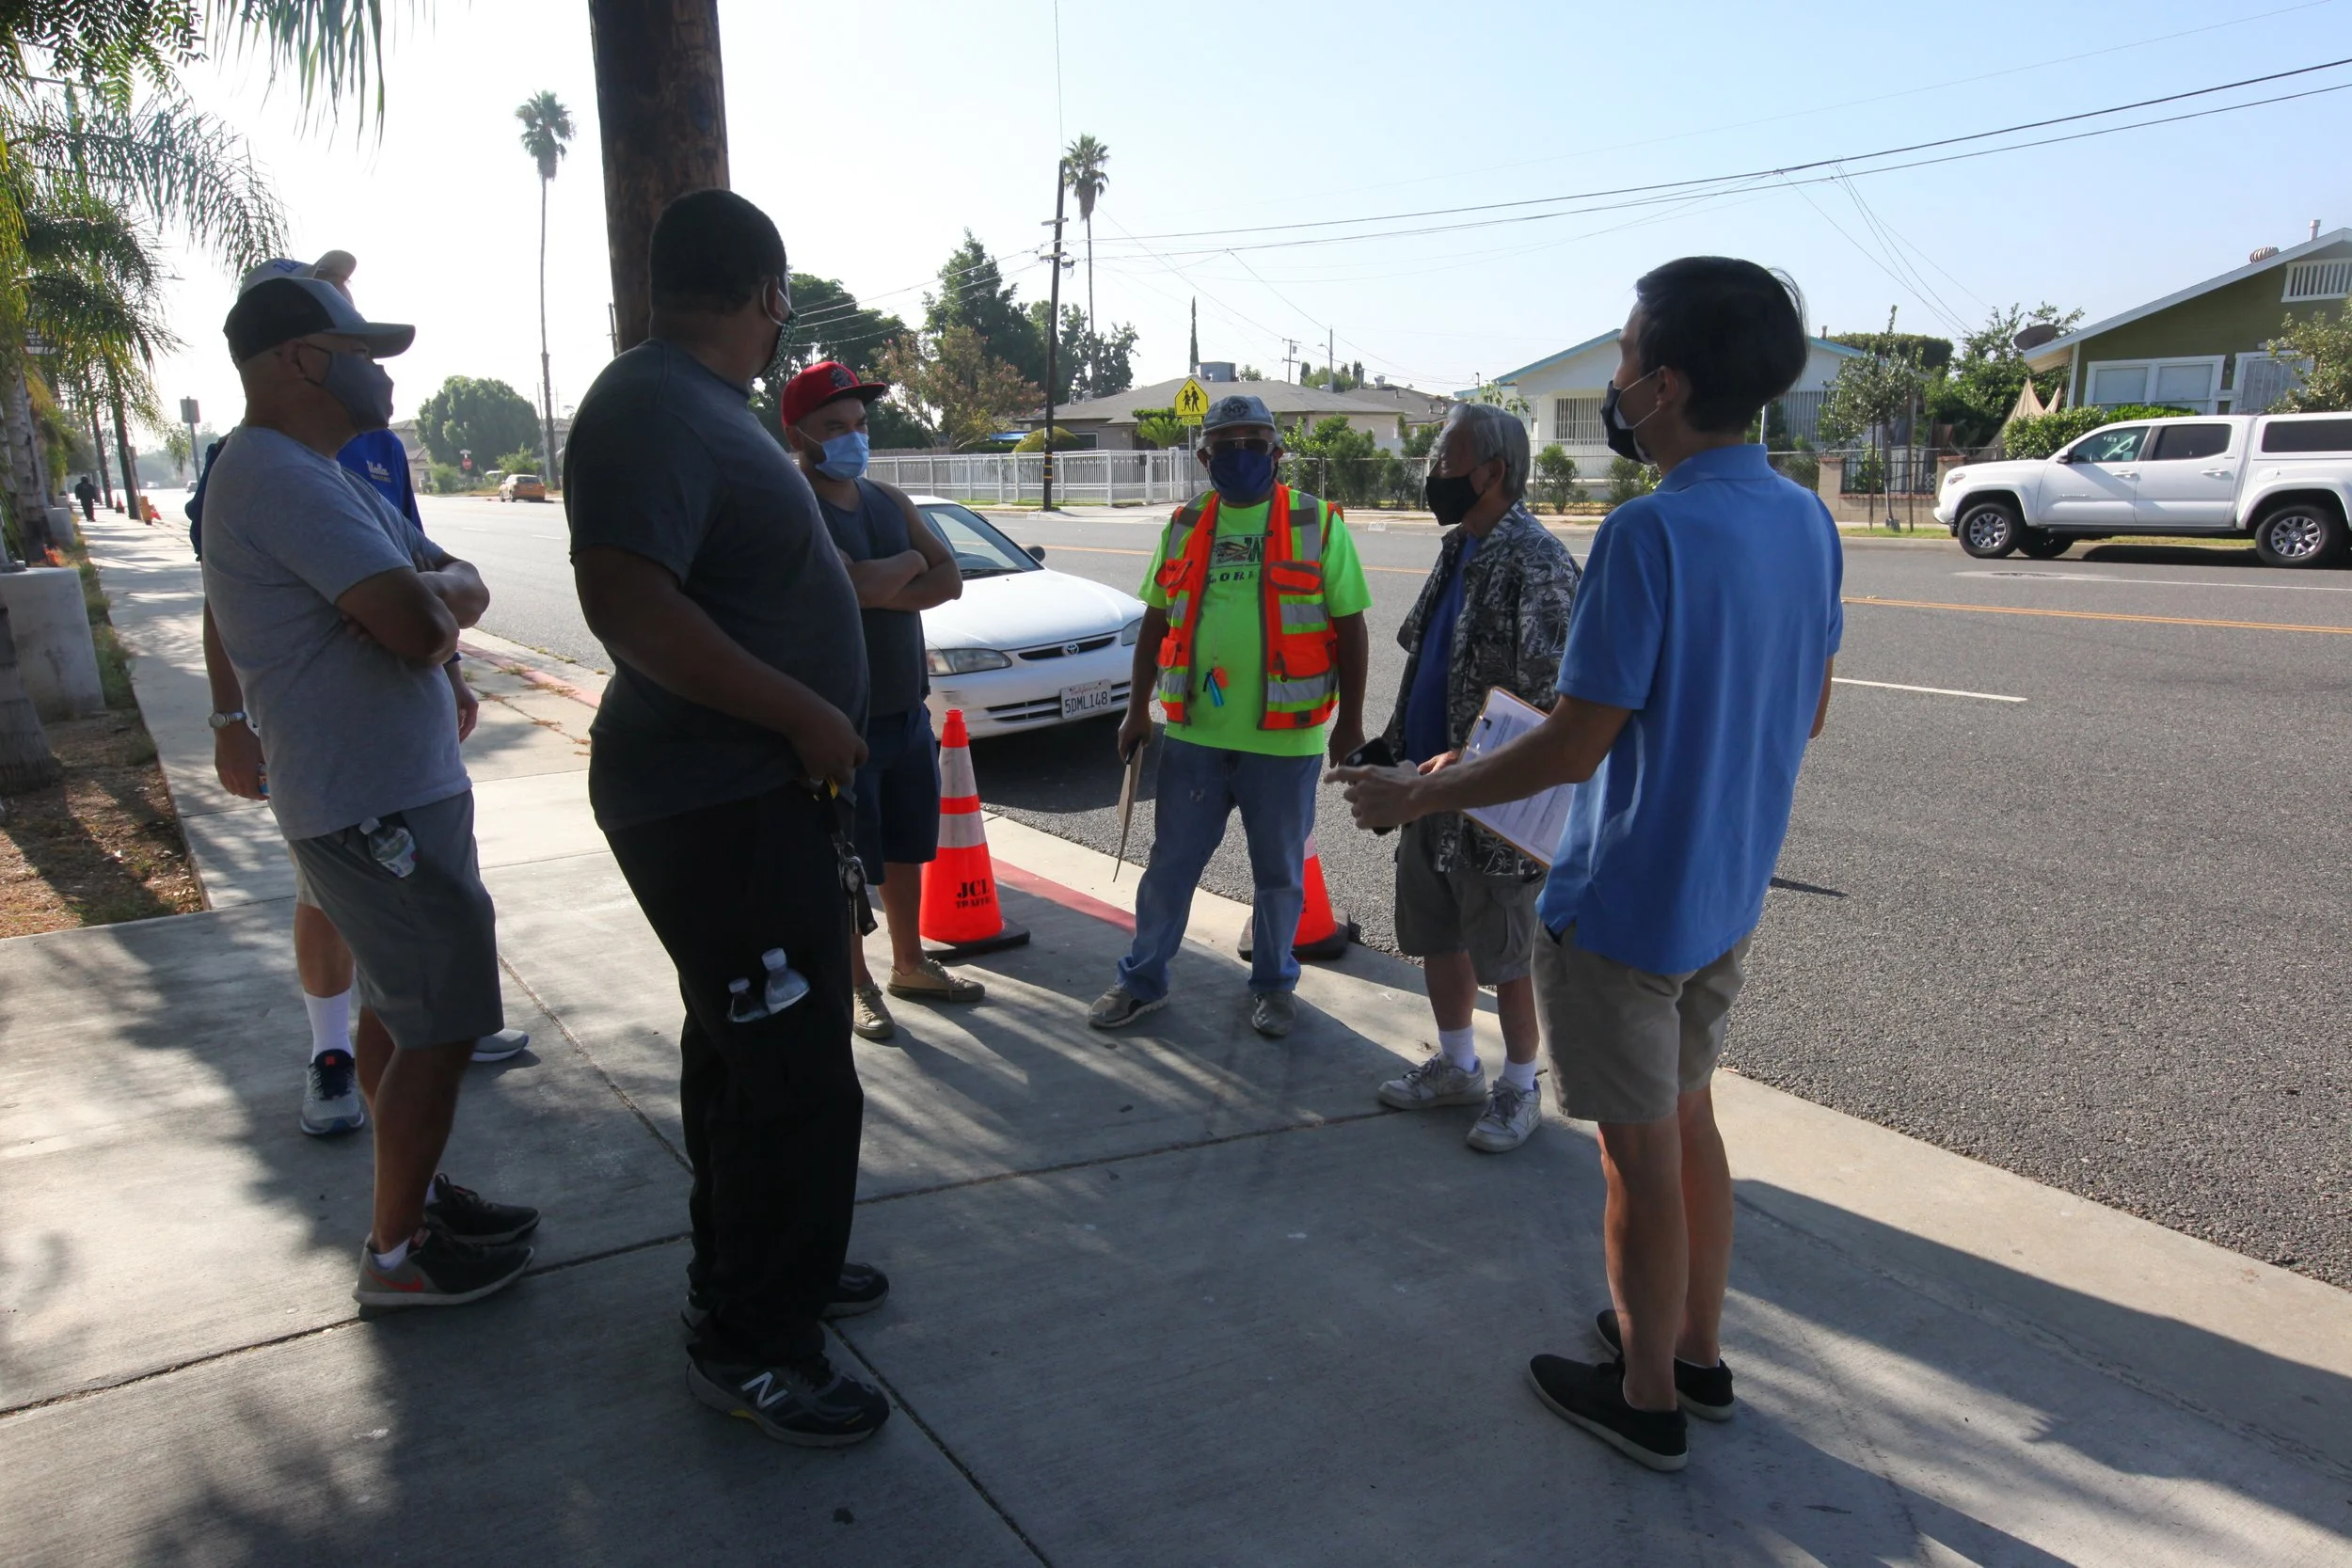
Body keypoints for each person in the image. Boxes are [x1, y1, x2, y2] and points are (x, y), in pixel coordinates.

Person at [1335, 257, 1839, 1472]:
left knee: (1635, 1160)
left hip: (1621, 906)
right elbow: (1808, 710)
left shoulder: (1647, 532)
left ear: (1664, 385)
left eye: (1621, 359)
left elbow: (1574, 738)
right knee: (1690, 1122)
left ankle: (1648, 1391)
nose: (1613, 381)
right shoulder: (1806, 518)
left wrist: (1420, 787)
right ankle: (1699, 1352)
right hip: (1725, 891)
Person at [566, 190, 891, 1448]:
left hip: (750, 800)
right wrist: (804, 714)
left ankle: (776, 1260)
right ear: (768, 296)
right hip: (718, 801)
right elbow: (629, 606)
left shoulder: (695, 404)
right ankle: (755, 1337)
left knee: (754, 1057)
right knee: (790, 1077)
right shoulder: (651, 404)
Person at [200, 267, 538, 1310]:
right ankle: (398, 1257)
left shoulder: (327, 471)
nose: (383, 379)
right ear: (299, 360)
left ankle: (418, 1196)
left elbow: (455, 585)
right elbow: (426, 627)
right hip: (370, 802)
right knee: (437, 1025)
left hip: (397, 789)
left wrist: (425, 593)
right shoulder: (279, 478)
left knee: (400, 1012)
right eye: (361, 357)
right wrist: (427, 602)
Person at [1089, 393, 1372, 1039]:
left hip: (1286, 738)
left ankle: (1274, 985)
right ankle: (1142, 979)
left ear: (1277, 451)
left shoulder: (1317, 523)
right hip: (1194, 734)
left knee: (1279, 875)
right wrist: (1137, 708)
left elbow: (1351, 628)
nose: (1240, 455)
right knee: (1170, 868)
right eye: (1227, 444)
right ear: (1204, 455)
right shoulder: (1186, 524)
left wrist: (1350, 724)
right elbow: (1156, 619)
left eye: (1254, 442)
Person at [1372, 402, 1579, 1154]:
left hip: (1495, 800)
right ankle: (1458, 1063)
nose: (1436, 472)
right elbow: (1427, 660)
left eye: (1447, 457)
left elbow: (1553, 699)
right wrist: (1390, 745)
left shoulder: (1540, 560)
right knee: (1436, 931)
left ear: (1492, 472)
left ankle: (1521, 1085)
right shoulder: (1461, 545)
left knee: (1505, 949)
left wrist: (1474, 760)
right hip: (1428, 785)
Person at [776, 359, 977, 1042]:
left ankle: (910, 963)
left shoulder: (889, 501)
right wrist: (904, 567)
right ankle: (857, 981)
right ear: (798, 433)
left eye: (859, 424)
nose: (852, 438)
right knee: (848, 864)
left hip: (904, 711)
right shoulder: (793, 501)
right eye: (834, 426)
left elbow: (950, 579)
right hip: (839, 722)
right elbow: (853, 586)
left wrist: (890, 576)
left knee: (902, 850)